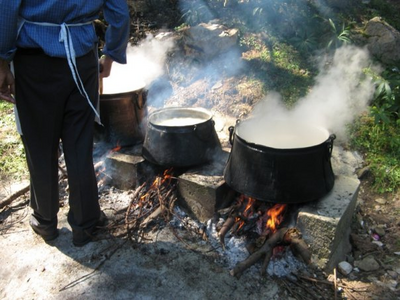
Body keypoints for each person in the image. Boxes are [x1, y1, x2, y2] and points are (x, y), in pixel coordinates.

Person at [0, 1, 130, 246]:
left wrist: (2, 60)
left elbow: (6, 8)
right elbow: (119, 13)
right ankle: (86, 223)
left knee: (39, 144)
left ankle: (44, 221)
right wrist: (111, 55)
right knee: (79, 144)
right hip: (82, 61)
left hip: (33, 64)